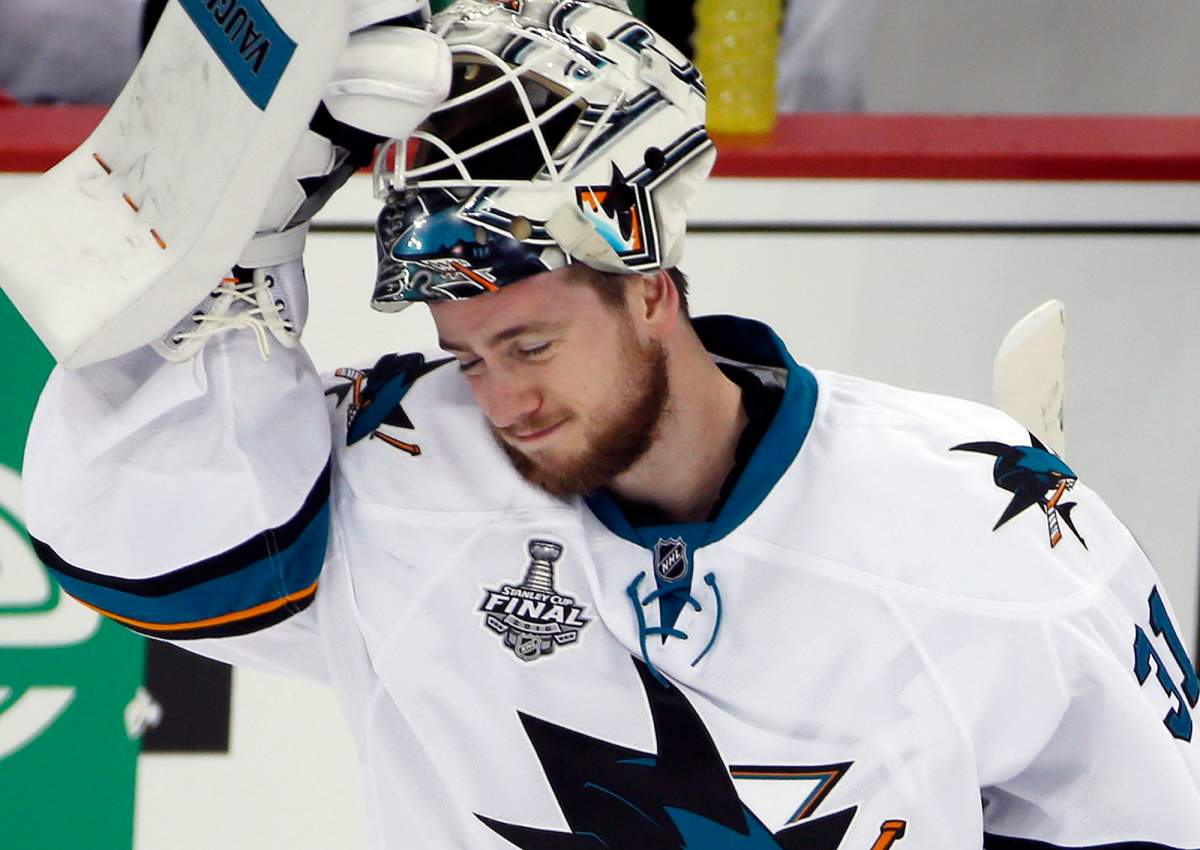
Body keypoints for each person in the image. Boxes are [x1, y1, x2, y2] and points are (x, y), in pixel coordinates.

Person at [20, 1, 1200, 848]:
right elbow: (143, 552)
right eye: (466, 356)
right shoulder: (411, 472)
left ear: (650, 286)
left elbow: (1146, 815)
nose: (502, 401)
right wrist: (242, 217)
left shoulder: (983, 527)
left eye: (531, 344)